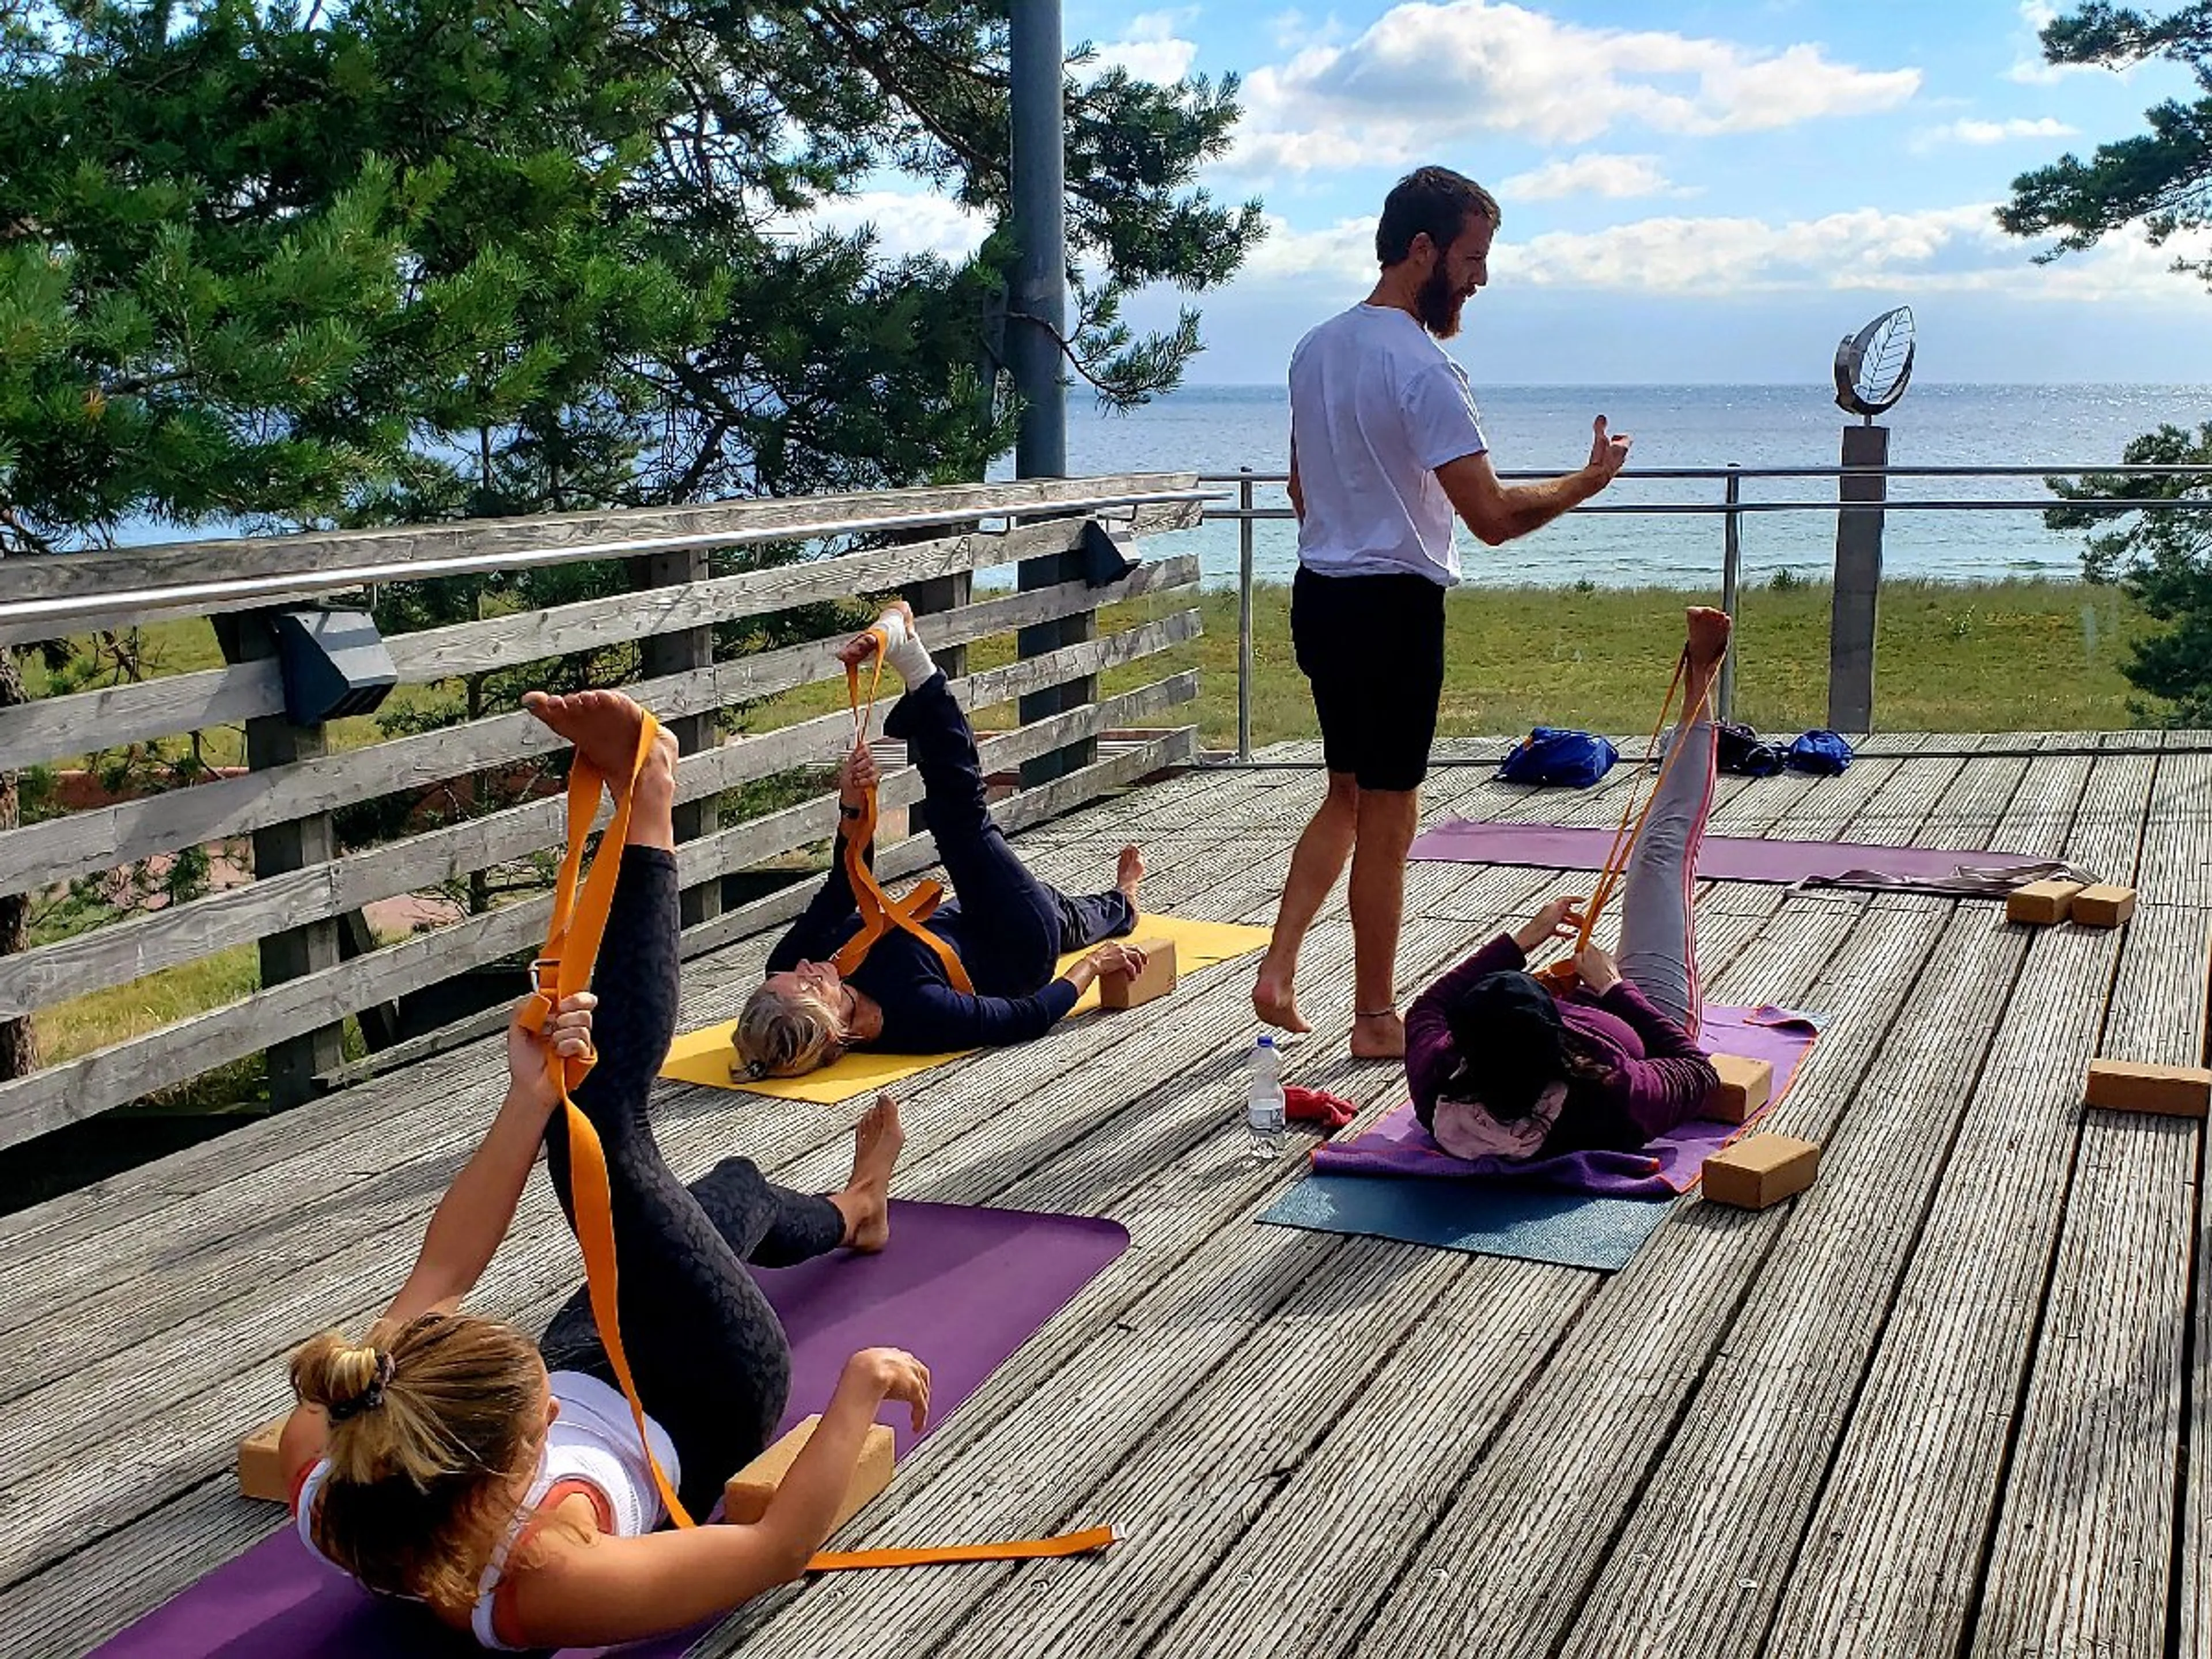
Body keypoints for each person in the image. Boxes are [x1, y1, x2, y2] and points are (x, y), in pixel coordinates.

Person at [276, 687, 932, 1651]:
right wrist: (859, 1388)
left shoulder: (337, 1440)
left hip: (604, 1362)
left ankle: (853, 1207)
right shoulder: (548, 1579)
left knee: (674, 1171)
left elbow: (445, 1274)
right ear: (509, 1473)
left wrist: (529, 1096)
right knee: (620, 1141)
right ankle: (651, 791)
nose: (546, 1399)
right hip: (707, 1392)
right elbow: (777, 1548)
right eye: (538, 1416)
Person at [1252, 163, 1635, 1059]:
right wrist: (1590, 479)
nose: (1480, 278)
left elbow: (1301, 487)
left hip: (1322, 594)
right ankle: (1377, 1019)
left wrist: (1355, 527)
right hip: (1392, 607)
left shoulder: (1314, 348)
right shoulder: (1426, 369)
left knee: (1344, 794)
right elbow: (1494, 518)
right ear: (1420, 248)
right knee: (1388, 813)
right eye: (1471, 257)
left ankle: (1278, 966)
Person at [734, 603, 1150, 1078]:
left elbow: (844, 888)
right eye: (808, 986)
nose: (804, 967)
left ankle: (1122, 905)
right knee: (963, 825)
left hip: (950, 920)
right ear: (834, 1033)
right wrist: (1094, 967)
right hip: (1017, 946)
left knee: (1063, 910)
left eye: (786, 980)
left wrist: (853, 804)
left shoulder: (786, 964)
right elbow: (1030, 1016)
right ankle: (915, 662)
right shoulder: (916, 1012)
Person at [1404, 608, 1731, 1161]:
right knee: (1661, 855)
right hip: (1646, 1011)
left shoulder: (1441, 1078)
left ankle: (1697, 698)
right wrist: (1612, 990)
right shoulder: (1610, 1094)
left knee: (1653, 853)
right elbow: (1698, 1073)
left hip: (1592, 1003)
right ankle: (1701, 685)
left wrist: (1524, 942)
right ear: (1557, 1038)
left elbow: (1426, 1010)